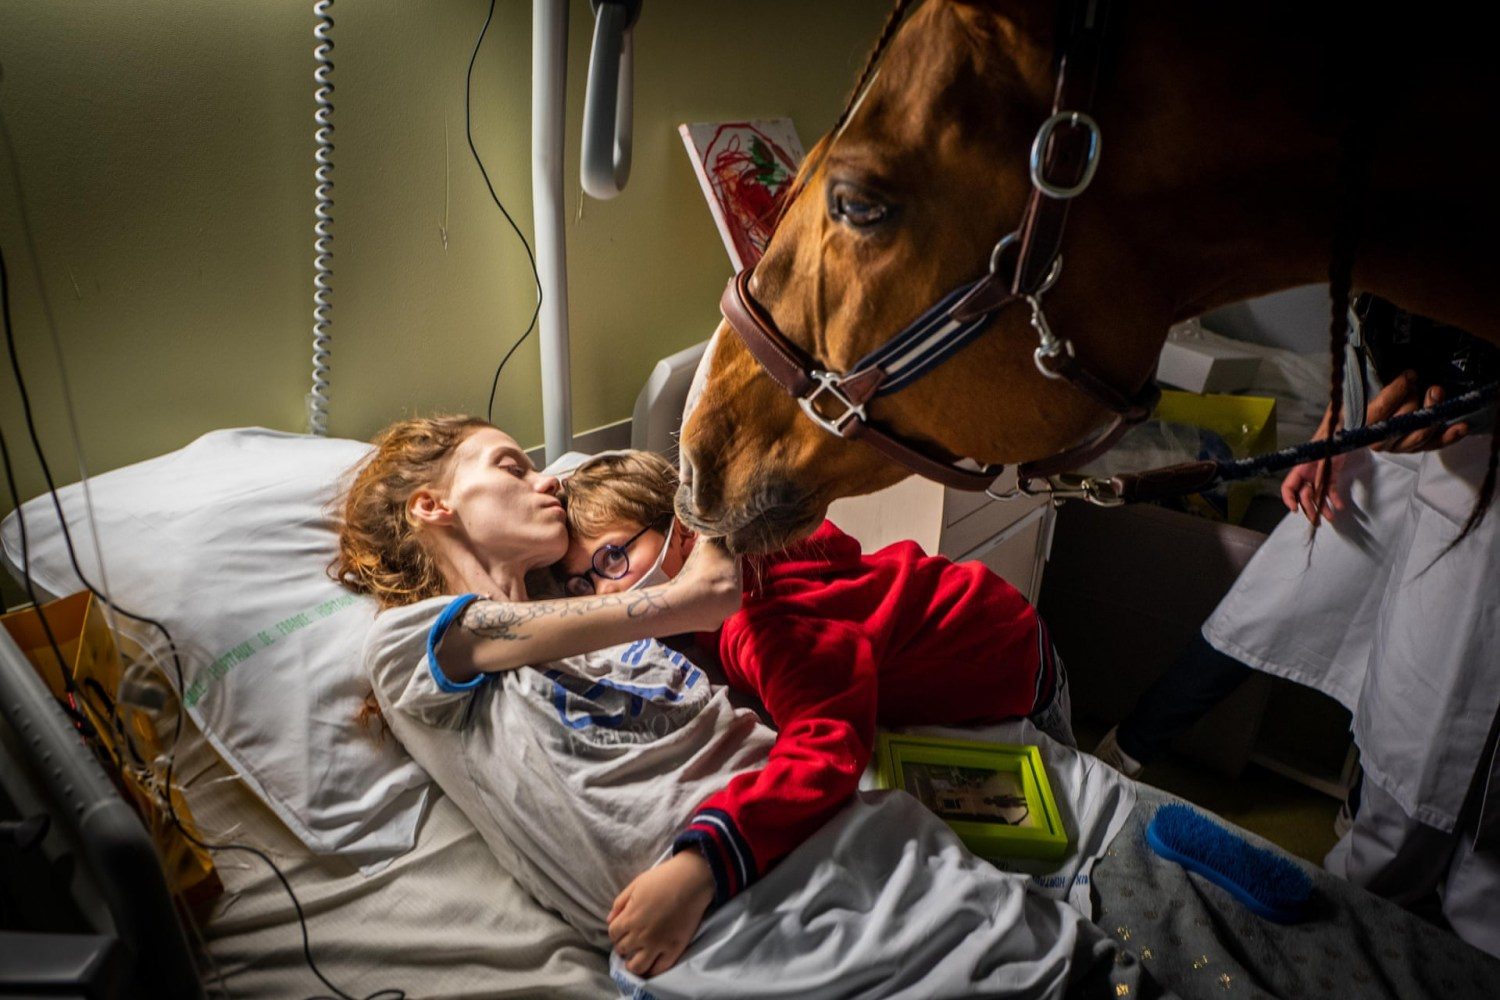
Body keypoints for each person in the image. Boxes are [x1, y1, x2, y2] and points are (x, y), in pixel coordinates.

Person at [334, 415, 1155, 993]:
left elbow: (748, 636)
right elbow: (684, 606)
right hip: (772, 908)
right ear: (433, 507)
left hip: (981, 689)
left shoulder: (676, 624)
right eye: (510, 465)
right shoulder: (410, 643)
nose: (543, 476)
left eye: (614, 558)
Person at [1092, 307, 1500, 958]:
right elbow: (1380, 335)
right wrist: (1333, 431)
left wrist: (1474, 415)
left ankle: (1374, 868)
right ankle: (1122, 753)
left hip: (1480, 473)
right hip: (1387, 438)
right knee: (1264, 607)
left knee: (1427, 699)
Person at [556, 450, 1073, 957]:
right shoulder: (744, 565)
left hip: (1010, 655)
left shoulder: (764, 620)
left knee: (1061, 808)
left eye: (612, 558)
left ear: (683, 532)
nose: (604, 592)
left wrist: (703, 865)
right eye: (584, 582)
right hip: (968, 616)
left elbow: (826, 745)